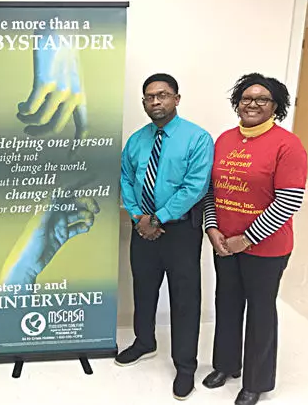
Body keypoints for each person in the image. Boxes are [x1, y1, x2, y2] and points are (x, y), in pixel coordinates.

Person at [202, 73, 307, 405]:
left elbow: (289, 201)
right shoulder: (224, 140)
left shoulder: (288, 145)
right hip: (224, 244)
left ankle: (256, 382)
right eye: (246, 98)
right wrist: (212, 228)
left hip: (267, 248)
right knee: (226, 303)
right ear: (237, 103)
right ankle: (226, 365)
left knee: (260, 312)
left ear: (276, 106)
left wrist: (246, 239)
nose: (253, 104)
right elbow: (210, 191)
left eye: (262, 99)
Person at [116, 73, 214, 400]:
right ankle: (144, 341)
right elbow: (126, 179)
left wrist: (158, 218)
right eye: (149, 97)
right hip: (142, 228)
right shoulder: (136, 140)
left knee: (184, 299)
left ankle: (185, 365)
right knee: (143, 288)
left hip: (181, 231)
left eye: (163, 95)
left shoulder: (197, 138)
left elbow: (195, 186)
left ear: (176, 99)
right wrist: (139, 217)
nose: (156, 101)